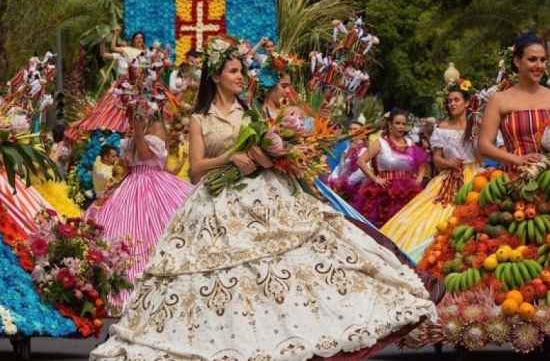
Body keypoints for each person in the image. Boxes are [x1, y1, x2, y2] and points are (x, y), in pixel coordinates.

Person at [90, 36, 437, 361]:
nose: (241, 77)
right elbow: (196, 171)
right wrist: (231, 159)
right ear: (216, 76)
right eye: (234, 71)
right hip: (217, 202)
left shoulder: (250, 113)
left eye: (242, 70)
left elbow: (270, 147)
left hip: (264, 194)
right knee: (231, 279)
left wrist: (267, 154)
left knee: (288, 268)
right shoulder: (199, 119)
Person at [85, 116, 193, 311]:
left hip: (153, 183)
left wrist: (137, 129)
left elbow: (144, 155)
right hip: (131, 184)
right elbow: (128, 162)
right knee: (121, 229)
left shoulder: (157, 124)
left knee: (153, 229)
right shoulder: (136, 126)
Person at [381, 84, 478, 262]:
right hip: (448, 176)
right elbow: (437, 159)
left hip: (474, 176)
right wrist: (449, 163)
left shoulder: (477, 126)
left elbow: (484, 153)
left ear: (466, 103)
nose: (452, 104)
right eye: (449, 101)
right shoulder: (442, 128)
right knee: (428, 213)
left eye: (456, 100)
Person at [479, 32, 550, 167]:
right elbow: (484, 145)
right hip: (516, 179)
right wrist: (517, 159)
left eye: (543, 60)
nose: (539, 65)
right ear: (517, 61)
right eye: (532, 59)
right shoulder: (499, 99)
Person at [66, 28, 149, 141]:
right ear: (133, 41)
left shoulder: (146, 55)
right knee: (107, 108)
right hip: (122, 87)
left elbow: (145, 72)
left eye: (141, 38)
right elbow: (107, 52)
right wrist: (105, 40)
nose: (139, 40)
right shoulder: (124, 53)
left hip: (137, 87)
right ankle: (92, 126)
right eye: (136, 38)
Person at [355, 109, 428, 227]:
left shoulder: (410, 144)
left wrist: (419, 179)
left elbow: (422, 163)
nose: (401, 127)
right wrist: (375, 179)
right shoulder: (380, 142)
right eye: (397, 123)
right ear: (390, 125)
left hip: (408, 192)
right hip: (383, 193)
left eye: (403, 124)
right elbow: (361, 161)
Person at [328, 121, 368, 199]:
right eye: (350, 129)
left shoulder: (364, 150)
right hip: (337, 189)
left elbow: (360, 173)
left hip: (350, 193)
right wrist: (333, 179)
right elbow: (339, 167)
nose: (352, 132)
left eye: (355, 129)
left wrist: (342, 185)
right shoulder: (348, 148)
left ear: (363, 133)